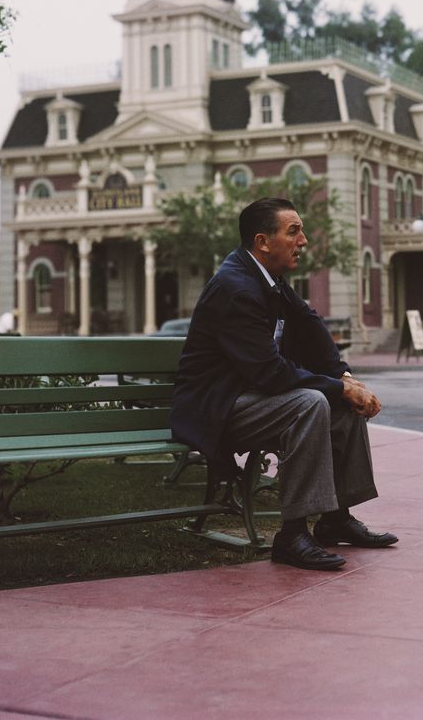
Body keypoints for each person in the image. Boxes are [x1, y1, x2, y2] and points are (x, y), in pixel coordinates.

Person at [170, 197, 397, 570]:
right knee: (310, 403)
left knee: (341, 403)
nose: (303, 240)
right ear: (263, 241)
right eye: (294, 231)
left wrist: (344, 377)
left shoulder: (266, 277)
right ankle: (292, 535)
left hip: (247, 396)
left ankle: (335, 517)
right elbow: (270, 374)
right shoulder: (237, 287)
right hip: (215, 407)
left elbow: (308, 323)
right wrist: (338, 388)